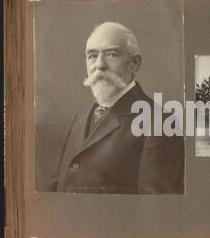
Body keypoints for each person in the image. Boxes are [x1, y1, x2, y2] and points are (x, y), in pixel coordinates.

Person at [51, 22, 184, 194]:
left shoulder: (160, 122)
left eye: (112, 54)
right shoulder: (81, 117)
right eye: (92, 55)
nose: (99, 65)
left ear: (134, 63)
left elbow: (153, 211)